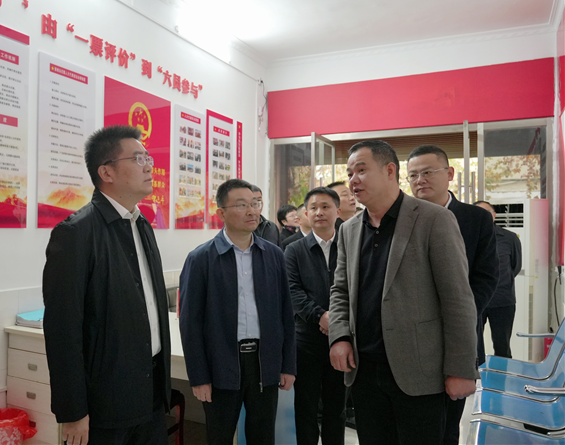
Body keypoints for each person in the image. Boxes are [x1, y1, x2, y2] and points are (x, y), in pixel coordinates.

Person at [328, 140, 478, 445]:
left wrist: (461, 369)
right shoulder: (348, 229)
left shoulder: (433, 219)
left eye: (361, 170)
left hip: (419, 370)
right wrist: (340, 336)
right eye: (349, 173)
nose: (353, 180)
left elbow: (457, 299)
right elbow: (340, 290)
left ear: (389, 171)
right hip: (364, 370)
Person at [43, 125, 171, 445]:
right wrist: (73, 411)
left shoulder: (142, 224)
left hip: (152, 392)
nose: (149, 166)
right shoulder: (76, 233)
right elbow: (62, 331)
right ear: (106, 172)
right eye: (138, 158)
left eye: (148, 158)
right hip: (106, 402)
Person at [179, 179, 296, 445]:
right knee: (219, 436)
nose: (252, 211)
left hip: (264, 362)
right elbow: (190, 323)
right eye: (242, 205)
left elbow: (285, 314)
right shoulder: (201, 258)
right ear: (221, 213)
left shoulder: (274, 255)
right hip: (222, 363)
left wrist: (288, 365)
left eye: (255, 204)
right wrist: (199, 377)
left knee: (263, 437)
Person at [407, 145, 498, 445]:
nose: (420, 180)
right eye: (413, 175)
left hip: (457, 335)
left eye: (427, 172)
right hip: (412, 338)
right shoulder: (402, 218)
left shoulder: (476, 219)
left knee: (447, 423)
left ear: (449, 174)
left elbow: (486, 277)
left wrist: (460, 314)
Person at [284, 187, 346, 445]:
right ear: (306, 214)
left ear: (337, 211)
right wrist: (320, 316)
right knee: (305, 407)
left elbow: (357, 288)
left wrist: (337, 321)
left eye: (326, 206)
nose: (319, 212)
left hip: (342, 339)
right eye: (314, 208)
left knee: (337, 407)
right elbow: (293, 291)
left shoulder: (350, 246)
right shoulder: (294, 250)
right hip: (306, 342)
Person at [475, 200, 523, 358]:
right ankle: (477, 375)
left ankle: (502, 374)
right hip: (475, 301)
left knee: (502, 346)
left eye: (486, 213)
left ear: (494, 215)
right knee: (473, 346)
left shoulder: (509, 238)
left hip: (502, 301)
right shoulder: (466, 237)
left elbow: (515, 266)